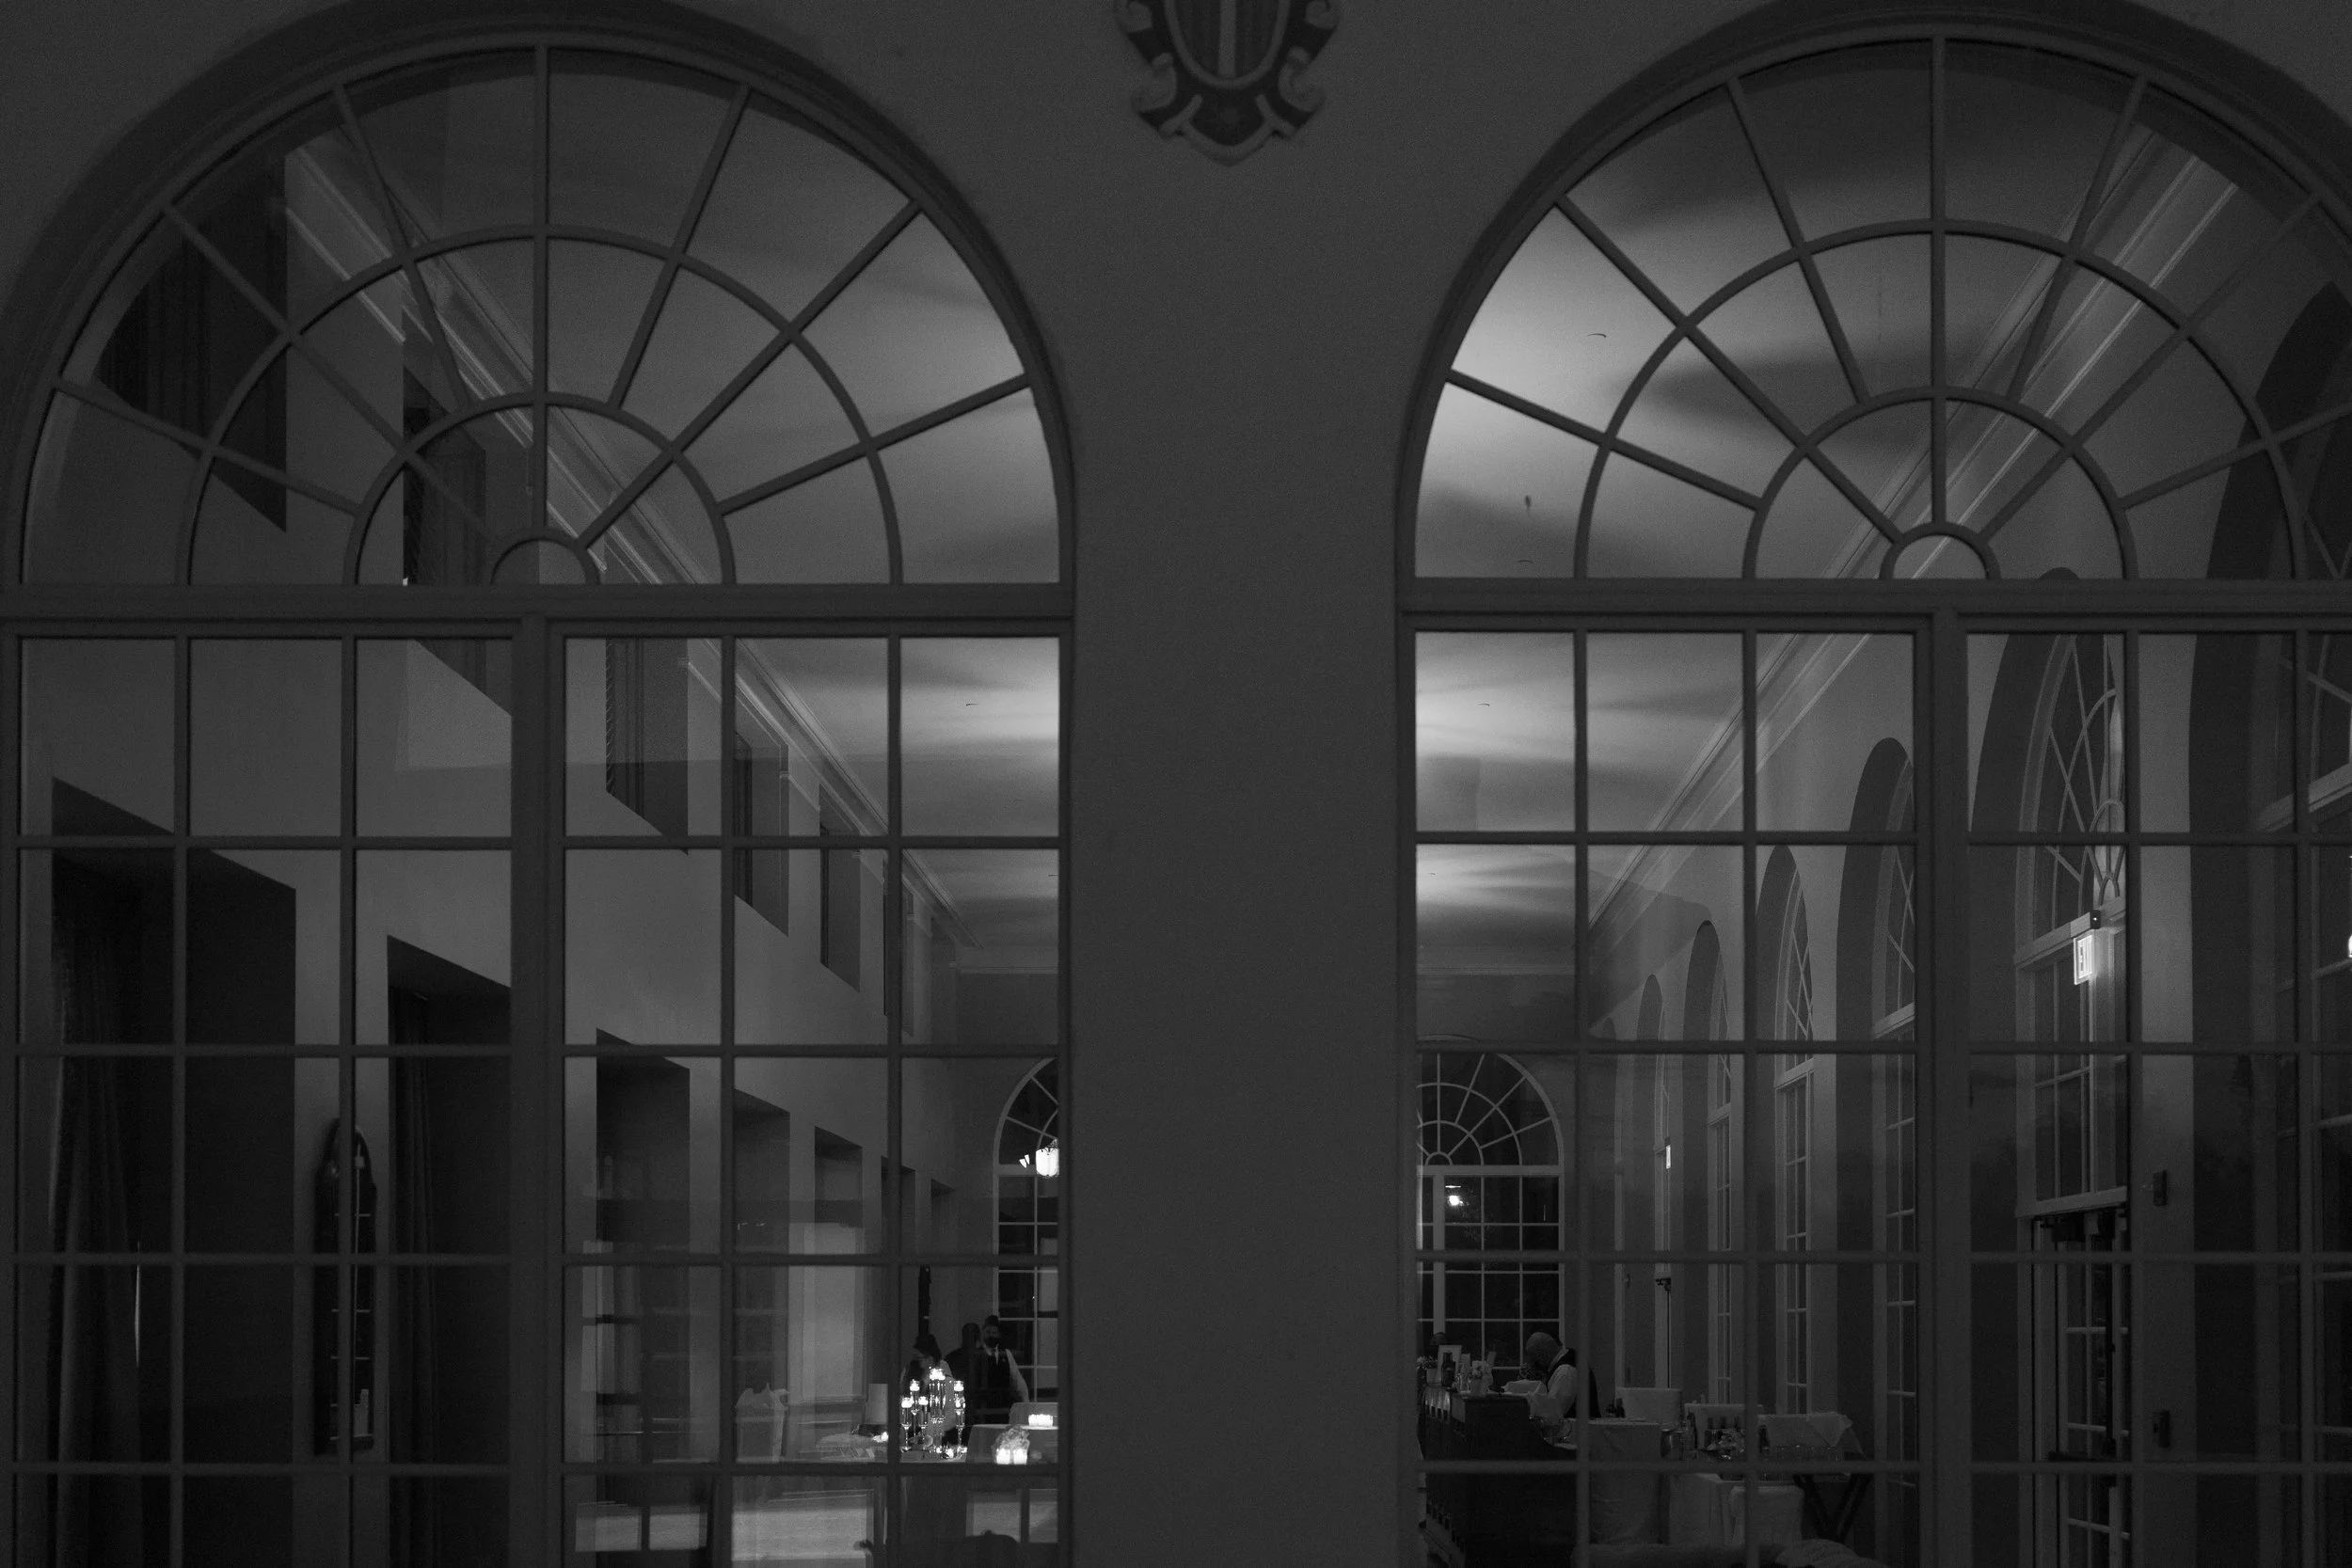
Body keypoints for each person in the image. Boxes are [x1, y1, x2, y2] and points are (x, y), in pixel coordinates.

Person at [1520, 1332, 1598, 1429]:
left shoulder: (1565, 1371)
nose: (1533, 1364)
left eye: (1534, 1358)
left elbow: (1554, 1411)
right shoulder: (1569, 1363)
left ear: (1543, 1354)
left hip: (1574, 1433)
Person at [965, 1313, 1030, 1428]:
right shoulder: (975, 1355)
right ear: (983, 1334)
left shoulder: (1006, 1354)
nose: (991, 1336)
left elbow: (1017, 1380)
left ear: (999, 1334)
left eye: (994, 1333)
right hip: (982, 1410)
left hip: (1003, 1409)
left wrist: (1026, 1403)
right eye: (988, 1332)